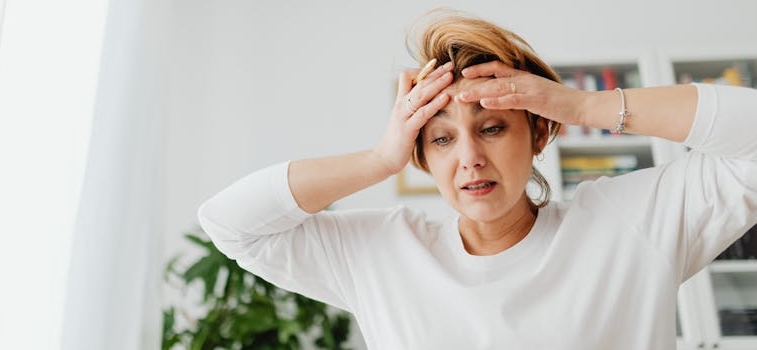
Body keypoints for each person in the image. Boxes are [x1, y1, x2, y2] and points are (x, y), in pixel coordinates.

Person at [197, 9, 757, 350]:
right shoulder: (382, 253)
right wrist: (381, 159)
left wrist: (582, 104)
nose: (469, 157)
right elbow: (231, 224)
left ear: (539, 133)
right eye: (441, 139)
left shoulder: (630, 225)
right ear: (422, 157)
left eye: (491, 127)